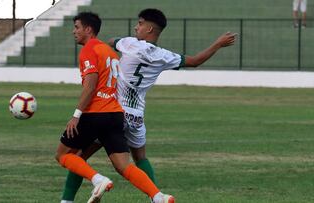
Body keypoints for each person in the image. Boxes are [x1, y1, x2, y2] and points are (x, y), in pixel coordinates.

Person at [60, 8, 236, 203]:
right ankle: (156, 198)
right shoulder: (164, 56)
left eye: (140, 23)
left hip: (113, 111)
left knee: (77, 156)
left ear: (149, 28)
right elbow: (195, 61)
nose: (137, 26)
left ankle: (69, 198)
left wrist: (102, 48)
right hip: (136, 116)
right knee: (140, 158)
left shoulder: (129, 44)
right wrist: (218, 44)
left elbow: (110, 42)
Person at [55, 11, 175, 203]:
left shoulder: (89, 50)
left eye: (76, 27)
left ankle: (97, 180)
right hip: (115, 114)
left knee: (64, 155)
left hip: (95, 112)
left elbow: (91, 84)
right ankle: (158, 197)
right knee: (124, 165)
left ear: (88, 29)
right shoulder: (109, 51)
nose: (73, 32)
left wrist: (77, 115)